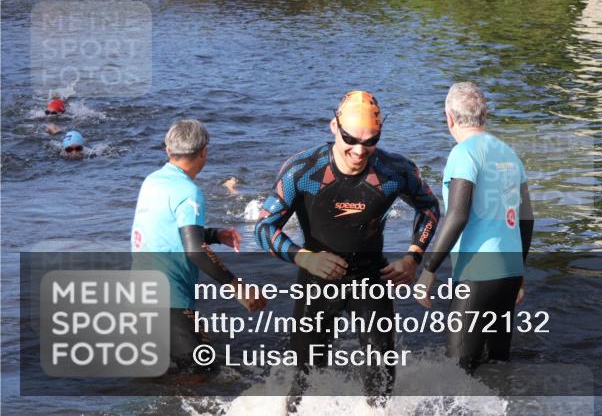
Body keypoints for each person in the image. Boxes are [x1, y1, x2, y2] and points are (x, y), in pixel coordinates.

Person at [255, 90, 440, 401]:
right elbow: (264, 228)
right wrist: (305, 259)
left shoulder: (395, 170)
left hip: (371, 278)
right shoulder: (303, 170)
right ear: (333, 127)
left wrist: (413, 257)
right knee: (304, 380)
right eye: (350, 139)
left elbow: (430, 208)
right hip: (317, 279)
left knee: (381, 380)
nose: (359, 150)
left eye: (371, 141)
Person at [415, 82, 534, 373]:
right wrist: (519, 272)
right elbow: (527, 218)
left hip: (476, 273)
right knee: (497, 366)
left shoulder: (463, 154)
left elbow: (457, 215)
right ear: (485, 115)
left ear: (449, 118)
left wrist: (428, 270)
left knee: (457, 371)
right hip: (508, 271)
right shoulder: (509, 153)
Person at [131, 119, 265, 373]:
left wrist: (214, 234)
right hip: (168, 299)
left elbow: (165, 229)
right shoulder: (189, 192)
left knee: (160, 378)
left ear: (168, 150)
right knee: (202, 371)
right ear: (204, 152)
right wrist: (237, 287)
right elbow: (194, 250)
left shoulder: (152, 181)